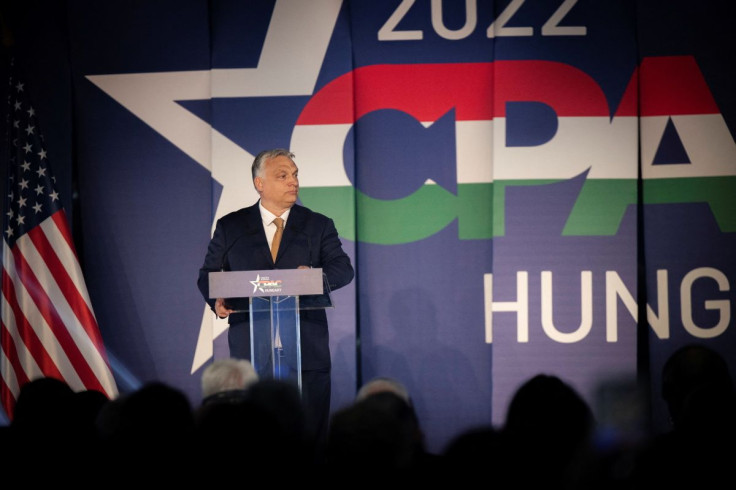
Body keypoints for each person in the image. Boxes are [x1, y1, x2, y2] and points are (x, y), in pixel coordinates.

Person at [197, 148, 354, 445]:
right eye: (282, 175)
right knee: (254, 440)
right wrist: (215, 300)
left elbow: (343, 269)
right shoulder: (232, 226)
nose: (293, 181)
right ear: (260, 183)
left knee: (310, 438)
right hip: (252, 349)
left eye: (295, 175)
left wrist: (314, 278)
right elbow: (207, 273)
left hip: (306, 348)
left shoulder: (318, 224)